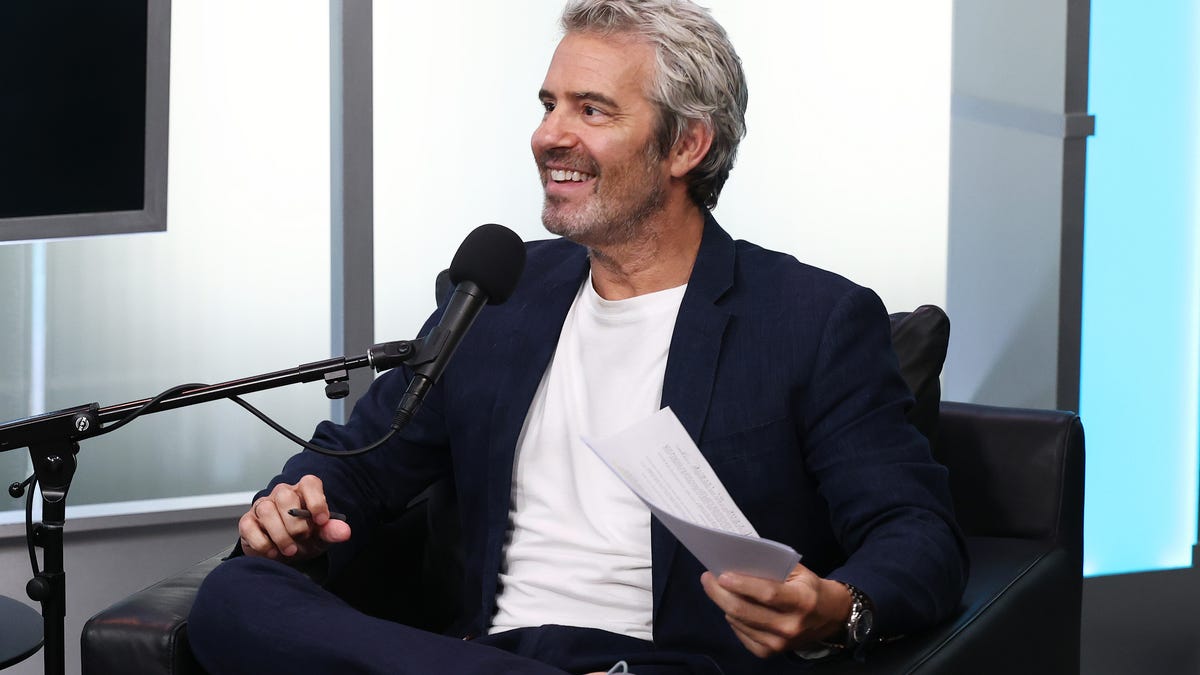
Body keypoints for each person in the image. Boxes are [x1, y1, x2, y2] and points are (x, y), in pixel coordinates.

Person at [189, 1, 967, 673]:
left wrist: (839, 605)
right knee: (235, 592)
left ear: (686, 146)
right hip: (486, 653)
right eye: (548, 104)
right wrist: (296, 506)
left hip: (665, 662)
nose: (548, 135)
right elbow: (362, 460)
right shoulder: (500, 295)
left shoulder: (811, 319)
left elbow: (917, 532)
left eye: (591, 110)